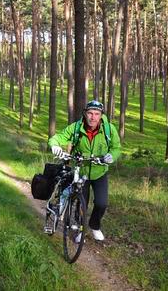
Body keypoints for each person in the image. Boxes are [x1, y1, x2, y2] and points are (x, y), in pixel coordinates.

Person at [48, 100, 121, 241]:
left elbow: (117, 147)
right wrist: (54, 146)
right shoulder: (76, 128)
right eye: (90, 113)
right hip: (81, 172)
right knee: (82, 204)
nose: (93, 117)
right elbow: (58, 138)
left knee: (101, 203)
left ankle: (94, 226)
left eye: (97, 114)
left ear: (101, 115)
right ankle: (81, 230)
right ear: (85, 114)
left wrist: (112, 156)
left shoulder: (109, 129)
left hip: (100, 172)